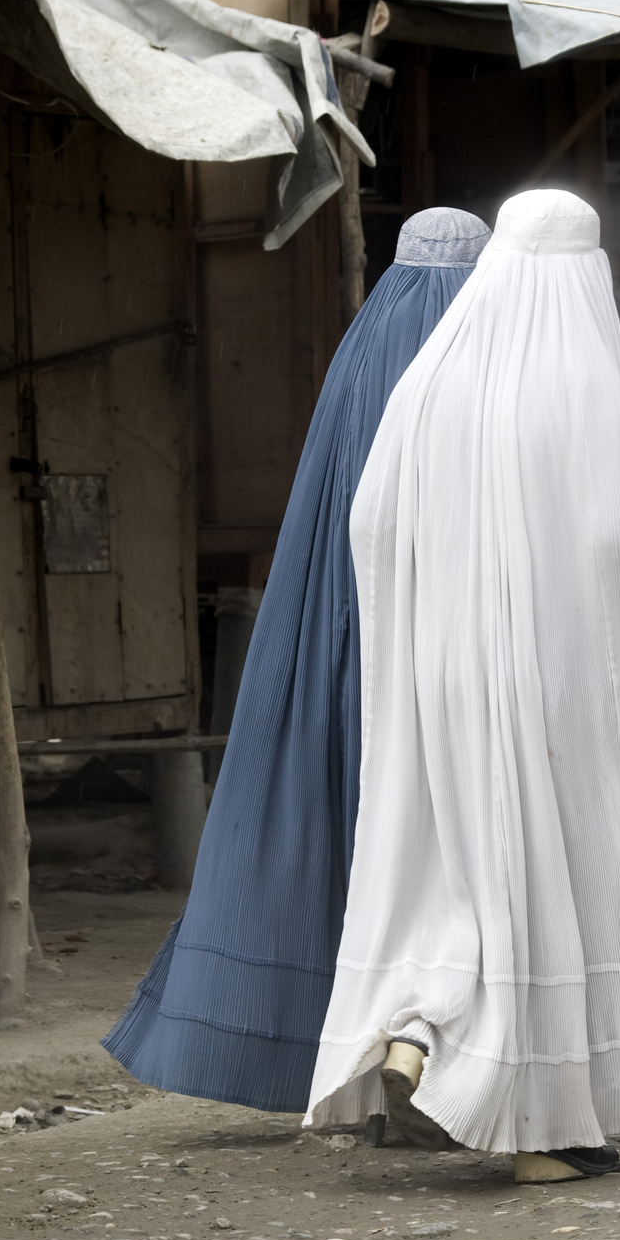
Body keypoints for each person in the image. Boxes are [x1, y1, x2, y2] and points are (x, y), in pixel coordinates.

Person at [304, 189, 620, 1183]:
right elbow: (619, 524)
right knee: (547, 871)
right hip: (549, 676)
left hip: (442, 671)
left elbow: (371, 520)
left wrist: (429, 620)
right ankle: (545, 1132)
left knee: (454, 862)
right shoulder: (576, 375)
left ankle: (419, 1032)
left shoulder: (437, 375)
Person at [102, 208, 492, 1113]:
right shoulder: (466, 353)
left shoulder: (362, 350)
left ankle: (341, 1074)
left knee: (351, 837)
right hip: (428, 651)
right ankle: (438, 1067)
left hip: (342, 640)